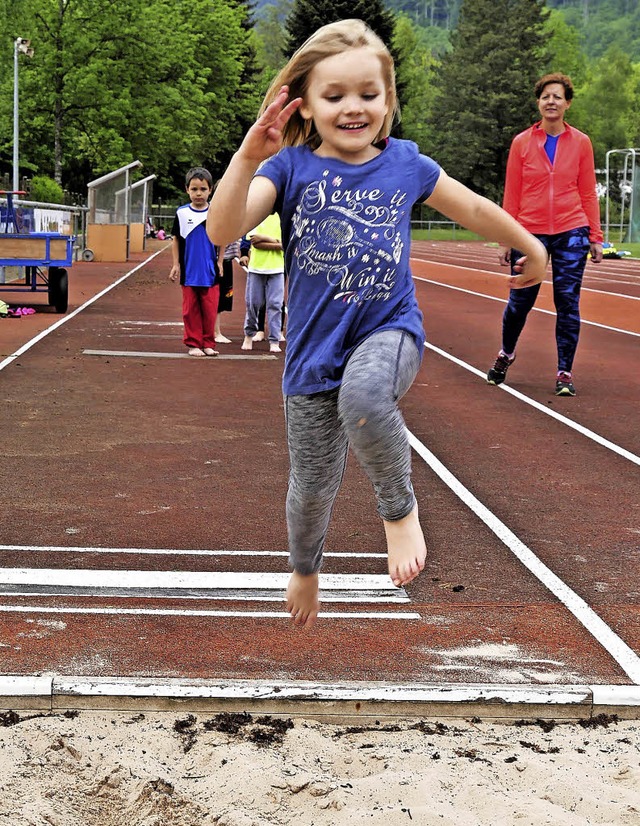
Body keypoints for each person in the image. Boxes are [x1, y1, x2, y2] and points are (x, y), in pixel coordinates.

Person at [207, 19, 547, 629]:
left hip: (389, 331)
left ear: (388, 100)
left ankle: (400, 512)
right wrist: (246, 156)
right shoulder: (285, 170)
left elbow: (471, 206)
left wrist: (531, 245)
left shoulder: (405, 165)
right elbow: (220, 230)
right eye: (334, 96)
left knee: (365, 397)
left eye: (368, 93)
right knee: (311, 487)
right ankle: (306, 568)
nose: (353, 107)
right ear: (305, 105)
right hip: (312, 356)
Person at [487, 73, 603, 397]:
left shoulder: (581, 142)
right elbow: (512, 193)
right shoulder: (522, 143)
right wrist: (505, 238)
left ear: (567, 103)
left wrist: (595, 235)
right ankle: (506, 353)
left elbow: (588, 192)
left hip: (571, 230)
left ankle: (564, 372)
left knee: (568, 302)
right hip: (528, 233)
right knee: (519, 303)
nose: (551, 102)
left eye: (557, 97)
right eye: (545, 96)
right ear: (538, 102)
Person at [169, 167, 220, 357]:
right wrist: (176, 264)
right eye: (194, 189)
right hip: (189, 271)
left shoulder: (215, 211)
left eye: (203, 189)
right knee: (190, 310)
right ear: (187, 190)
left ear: (211, 190)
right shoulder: (182, 213)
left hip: (210, 270)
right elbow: (176, 239)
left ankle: (208, 343)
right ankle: (193, 343)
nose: (199, 193)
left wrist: (221, 262)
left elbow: (221, 238)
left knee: (209, 309)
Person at [241, 212, 285, 354]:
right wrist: (277, 242)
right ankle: (249, 334)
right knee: (253, 303)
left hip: (277, 268)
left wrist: (265, 238)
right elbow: (255, 243)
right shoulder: (256, 216)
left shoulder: (282, 217)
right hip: (257, 268)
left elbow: (286, 244)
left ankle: (274, 340)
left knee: (275, 305)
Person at [215, 240, 239, 343]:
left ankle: (215, 331)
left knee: (222, 296)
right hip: (218, 259)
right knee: (216, 297)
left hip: (226, 258)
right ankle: (215, 332)